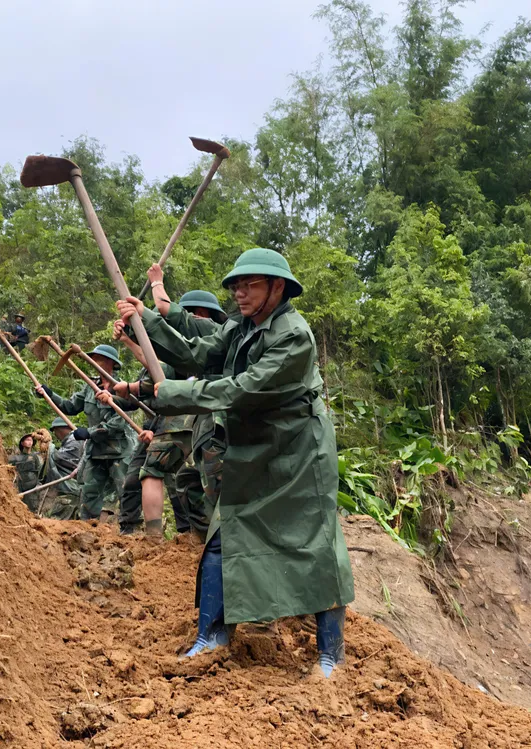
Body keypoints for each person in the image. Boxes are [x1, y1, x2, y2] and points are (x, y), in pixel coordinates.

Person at [114, 248, 355, 678]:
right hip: (254, 447)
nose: (240, 293)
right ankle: (212, 635)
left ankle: (330, 655)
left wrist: (166, 393)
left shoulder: (294, 337)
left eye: (250, 285)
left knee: (317, 545)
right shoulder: (243, 326)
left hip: (300, 451)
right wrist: (145, 319)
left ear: (277, 288)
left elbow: (240, 389)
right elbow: (196, 352)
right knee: (225, 532)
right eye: (236, 286)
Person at [146, 265, 229, 538]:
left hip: (219, 422)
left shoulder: (211, 329)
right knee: (190, 480)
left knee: (218, 489)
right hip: (202, 424)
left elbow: (166, 312)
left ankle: (220, 542)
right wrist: (132, 333)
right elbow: (160, 363)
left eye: (191, 312)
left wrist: (157, 282)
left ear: (202, 314)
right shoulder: (201, 342)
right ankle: (205, 538)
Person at [106, 320, 196, 539]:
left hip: (180, 424)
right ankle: (193, 535)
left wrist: (128, 387)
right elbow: (148, 375)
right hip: (174, 425)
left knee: (157, 473)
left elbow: (154, 366)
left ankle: (158, 537)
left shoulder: (184, 355)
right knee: (184, 477)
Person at [35, 345, 137, 520]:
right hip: (96, 452)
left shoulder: (121, 388)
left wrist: (89, 432)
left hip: (119, 452)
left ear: (111, 363)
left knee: (125, 492)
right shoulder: (90, 387)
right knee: (89, 492)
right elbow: (71, 407)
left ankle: (131, 529)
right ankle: (88, 528)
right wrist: (49, 394)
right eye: (93, 358)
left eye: (98, 359)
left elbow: (118, 423)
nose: (94, 362)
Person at [35, 416, 85, 519]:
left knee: (58, 521)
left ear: (60, 429)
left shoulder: (74, 439)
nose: (55, 435)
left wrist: (49, 446)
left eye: (55, 431)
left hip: (69, 488)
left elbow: (63, 459)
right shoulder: (70, 440)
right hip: (67, 489)